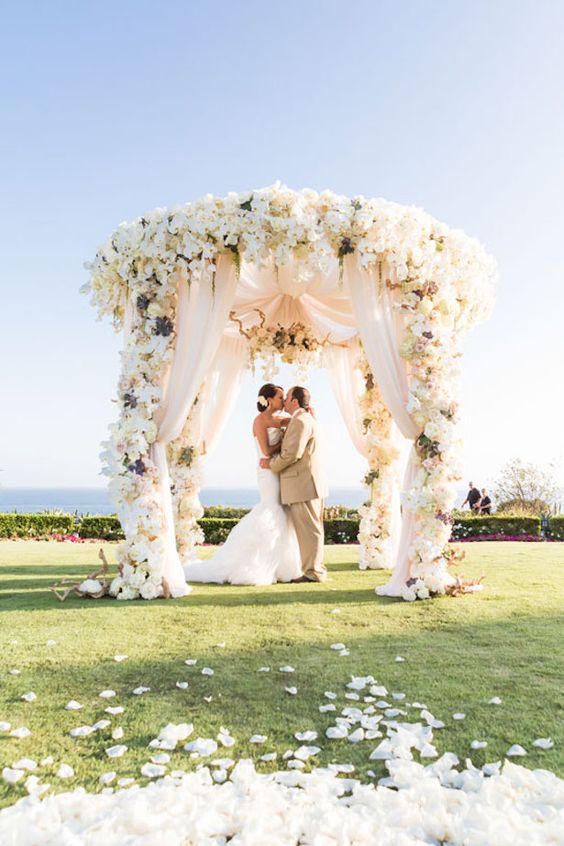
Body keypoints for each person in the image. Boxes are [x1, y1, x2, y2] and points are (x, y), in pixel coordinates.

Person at [183, 384, 302, 585]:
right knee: (271, 510)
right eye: (280, 397)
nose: (283, 401)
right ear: (268, 399)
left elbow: (299, 422)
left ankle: (282, 566)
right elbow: (266, 450)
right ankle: (254, 563)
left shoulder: (281, 419)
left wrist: (305, 415)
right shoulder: (260, 421)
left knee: (283, 513)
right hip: (267, 473)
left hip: (279, 470)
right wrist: (287, 444)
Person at [260, 386, 329, 583]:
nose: (285, 401)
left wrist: (270, 464)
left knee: (309, 531)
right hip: (309, 483)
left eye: (287, 397)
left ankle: (313, 573)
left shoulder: (300, 421)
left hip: (303, 484)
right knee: (313, 529)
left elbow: (292, 453)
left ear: (295, 402)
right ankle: (316, 569)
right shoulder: (306, 419)